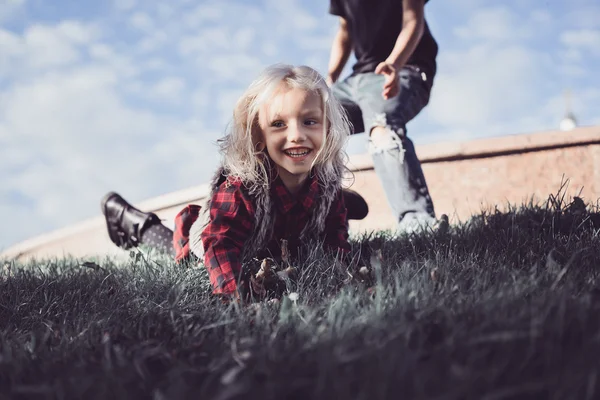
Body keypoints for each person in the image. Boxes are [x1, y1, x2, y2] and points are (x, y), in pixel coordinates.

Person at [101, 64, 366, 302]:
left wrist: (344, 268)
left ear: (327, 127)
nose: (296, 135)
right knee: (182, 253)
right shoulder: (241, 187)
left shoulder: (326, 177)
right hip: (215, 234)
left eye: (310, 122)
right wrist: (236, 297)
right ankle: (132, 220)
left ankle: (331, 202)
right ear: (258, 134)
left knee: (330, 204)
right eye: (278, 124)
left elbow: (335, 241)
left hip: (284, 231)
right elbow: (221, 245)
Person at [327, 0, 447, 233]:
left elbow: (413, 20)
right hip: (356, 80)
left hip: (406, 68)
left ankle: (417, 223)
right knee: (308, 121)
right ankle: (324, 204)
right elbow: (345, 32)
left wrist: (394, 63)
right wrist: (329, 79)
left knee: (381, 125)